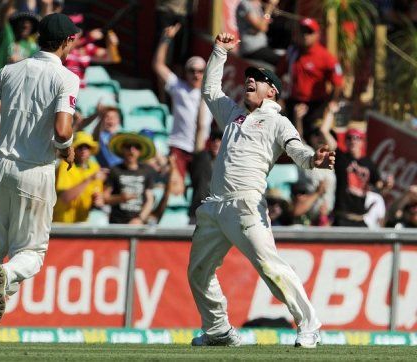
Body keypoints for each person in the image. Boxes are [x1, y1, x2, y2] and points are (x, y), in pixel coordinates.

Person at [188, 32, 335, 348]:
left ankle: (310, 325)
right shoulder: (232, 114)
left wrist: (315, 160)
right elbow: (210, 89)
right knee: (198, 273)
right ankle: (218, 330)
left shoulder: (277, 121)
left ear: (273, 92)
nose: (250, 82)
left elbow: (298, 151)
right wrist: (219, 51)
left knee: (271, 268)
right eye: (249, 78)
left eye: (258, 79)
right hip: (214, 207)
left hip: (246, 206)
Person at [0, 13, 80, 346]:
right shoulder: (66, 77)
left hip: (1, 166)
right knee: (31, 253)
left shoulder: (10, 69)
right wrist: (68, 150)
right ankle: (10, 275)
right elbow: (61, 131)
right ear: (67, 41)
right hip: (36, 170)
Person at [153, 23, 213, 184]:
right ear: (185, 73)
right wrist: (165, 40)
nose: (196, 74)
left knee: (202, 192)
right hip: (179, 146)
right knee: (176, 188)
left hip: (201, 148)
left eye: (200, 71)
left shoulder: (212, 94)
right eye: (192, 70)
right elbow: (158, 65)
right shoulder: (179, 87)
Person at [277, 17, 344, 142]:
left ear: (317, 34)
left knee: (314, 140)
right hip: (293, 103)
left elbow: (338, 82)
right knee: (290, 139)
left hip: (316, 106)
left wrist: (332, 102)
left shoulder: (325, 57)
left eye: (309, 32)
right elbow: (278, 74)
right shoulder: (292, 52)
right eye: (302, 31)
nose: (305, 35)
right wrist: (278, 98)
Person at [53, 131, 105, 223]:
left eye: (87, 147)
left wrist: (98, 200)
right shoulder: (65, 166)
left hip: (84, 223)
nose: (84, 150)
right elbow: (65, 197)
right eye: (80, 147)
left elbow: (98, 196)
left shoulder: (95, 167)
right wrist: (89, 179)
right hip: (62, 223)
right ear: (74, 149)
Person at [104, 132, 156, 224]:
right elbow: (105, 198)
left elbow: (150, 200)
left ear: (140, 152)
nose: (132, 150)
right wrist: (120, 198)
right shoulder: (115, 170)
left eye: (136, 147)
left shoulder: (147, 171)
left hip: (138, 225)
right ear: (122, 149)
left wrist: (140, 219)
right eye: (128, 146)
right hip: (117, 224)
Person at [333, 127, 380, 227]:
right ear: (345, 141)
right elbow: (324, 133)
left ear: (362, 142)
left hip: (360, 219)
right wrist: (330, 111)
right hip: (342, 218)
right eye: (349, 138)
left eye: (357, 138)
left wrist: (387, 184)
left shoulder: (369, 163)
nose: (353, 141)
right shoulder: (341, 158)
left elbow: (379, 184)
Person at [235, 0, 281, 66]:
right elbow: (262, 27)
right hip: (251, 48)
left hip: (261, 46)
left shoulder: (258, 4)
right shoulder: (245, 4)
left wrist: (271, 8)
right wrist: (269, 9)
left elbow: (265, 26)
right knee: (280, 62)